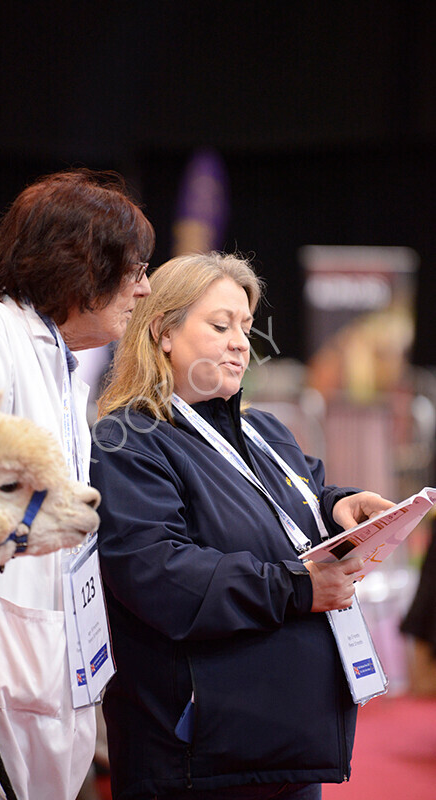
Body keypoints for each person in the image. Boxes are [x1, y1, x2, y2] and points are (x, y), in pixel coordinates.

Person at [89, 252, 395, 800]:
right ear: (162, 331)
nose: (240, 342)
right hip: (197, 759)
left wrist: (338, 507)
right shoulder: (128, 441)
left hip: (287, 745)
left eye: (247, 328)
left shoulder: (264, 431)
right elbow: (158, 574)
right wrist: (298, 585)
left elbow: (292, 502)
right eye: (220, 325)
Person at [0, 168, 154, 800]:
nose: (145, 288)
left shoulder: (65, 369)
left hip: (44, 673)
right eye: (135, 268)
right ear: (83, 263)